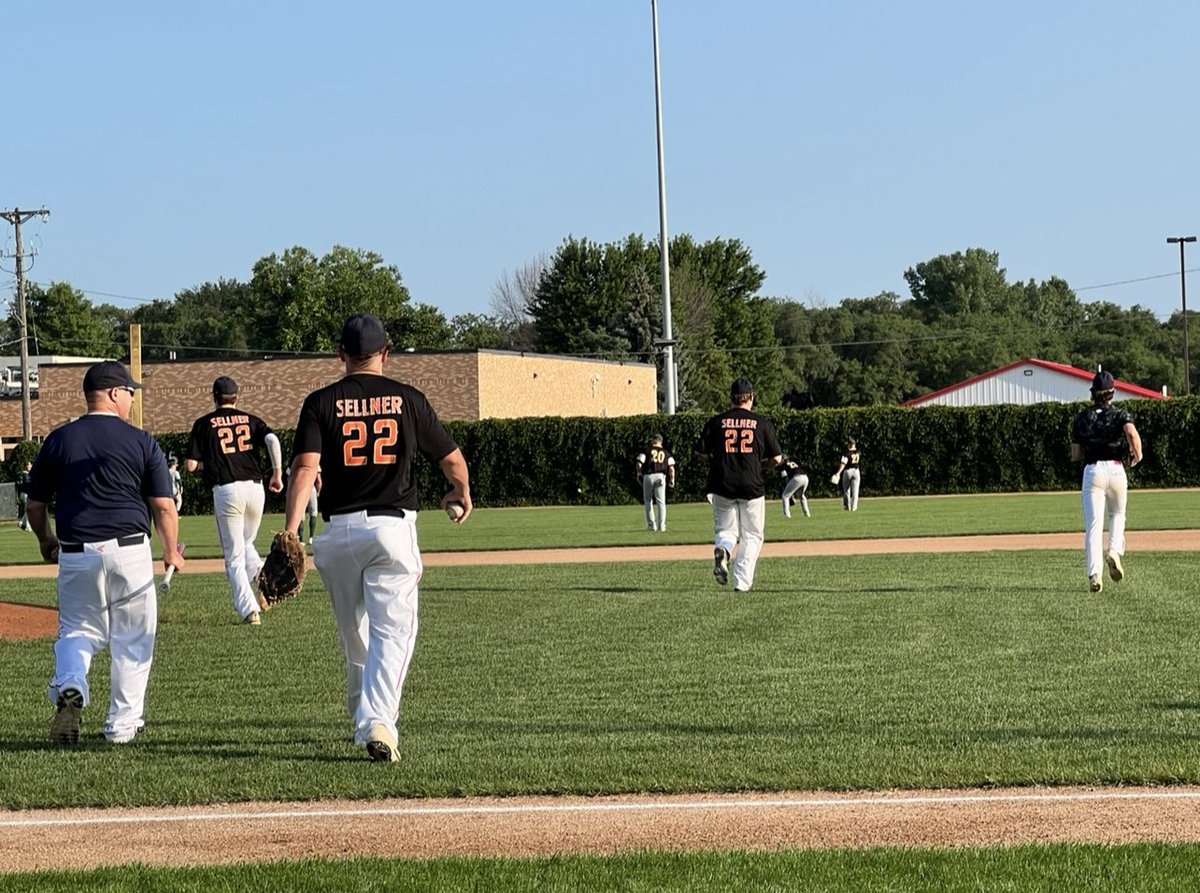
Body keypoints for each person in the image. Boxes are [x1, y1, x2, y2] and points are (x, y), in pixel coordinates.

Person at [285, 312, 471, 763]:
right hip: (391, 529)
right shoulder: (408, 399)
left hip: (337, 534)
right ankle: (380, 722)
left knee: (355, 634)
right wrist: (460, 492)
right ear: (386, 352)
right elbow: (452, 460)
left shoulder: (320, 401)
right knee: (393, 631)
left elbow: (306, 469)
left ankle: (363, 720)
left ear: (341, 354)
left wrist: (290, 531)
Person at [24, 361, 185, 746]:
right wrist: (169, 553)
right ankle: (121, 727)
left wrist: (46, 540)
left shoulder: (59, 440)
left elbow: (34, 505)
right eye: (129, 392)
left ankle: (72, 683)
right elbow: (163, 506)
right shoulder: (141, 441)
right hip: (129, 550)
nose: (131, 398)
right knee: (132, 638)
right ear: (114, 393)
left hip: (76, 551)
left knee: (78, 631)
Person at [185, 376, 283, 626]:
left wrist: (209, 463)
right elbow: (272, 440)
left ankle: (249, 610)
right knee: (246, 541)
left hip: (227, 490)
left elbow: (191, 465)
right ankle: (263, 579)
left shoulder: (204, 424)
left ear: (214, 397)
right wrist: (277, 472)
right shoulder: (250, 419)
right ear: (237, 397)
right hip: (255, 488)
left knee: (233, 557)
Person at [695, 377, 782, 593]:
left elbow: (699, 452)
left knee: (726, 530)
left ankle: (723, 550)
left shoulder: (716, 422)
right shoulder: (762, 423)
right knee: (752, 535)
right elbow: (777, 459)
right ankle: (741, 583)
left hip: (722, 483)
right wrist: (760, 466)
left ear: (731, 398)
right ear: (751, 397)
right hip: (752, 484)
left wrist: (716, 461)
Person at [1070, 369, 1142, 593]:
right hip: (1116, 469)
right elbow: (1130, 432)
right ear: (1112, 392)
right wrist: (1137, 454)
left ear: (1093, 393)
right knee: (1118, 515)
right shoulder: (1120, 414)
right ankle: (1113, 551)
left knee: (1093, 526)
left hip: (1093, 470)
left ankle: (1095, 575)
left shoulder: (1082, 417)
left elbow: (1075, 453)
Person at [634, 433, 675, 531]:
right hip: (660, 476)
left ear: (655, 440)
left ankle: (651, 526)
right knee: (661, 502)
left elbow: (639, 464)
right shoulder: (666, 453)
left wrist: (639, 474)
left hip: (648, 476)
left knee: (648, 501)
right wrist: (672, 479)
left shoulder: (646, 451)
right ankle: (662, 526)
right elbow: (671, 468)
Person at [832, 439, 862, 511]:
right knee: (855, 491)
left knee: (846, 490)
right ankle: (854, 508)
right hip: (856, 471)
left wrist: (838, 473)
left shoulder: (846, 453)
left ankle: (847, 507)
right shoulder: (858, 452)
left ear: (849, 444)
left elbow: (843, 464)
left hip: (848, 471)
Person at [16, 460, 32, 530]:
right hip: (26, 494)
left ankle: (21, 522)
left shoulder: (20, 475)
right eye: (29, 465)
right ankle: (27, 526)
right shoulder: (26, 475)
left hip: (22, 494)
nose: (31, 466)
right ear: (26, 466)